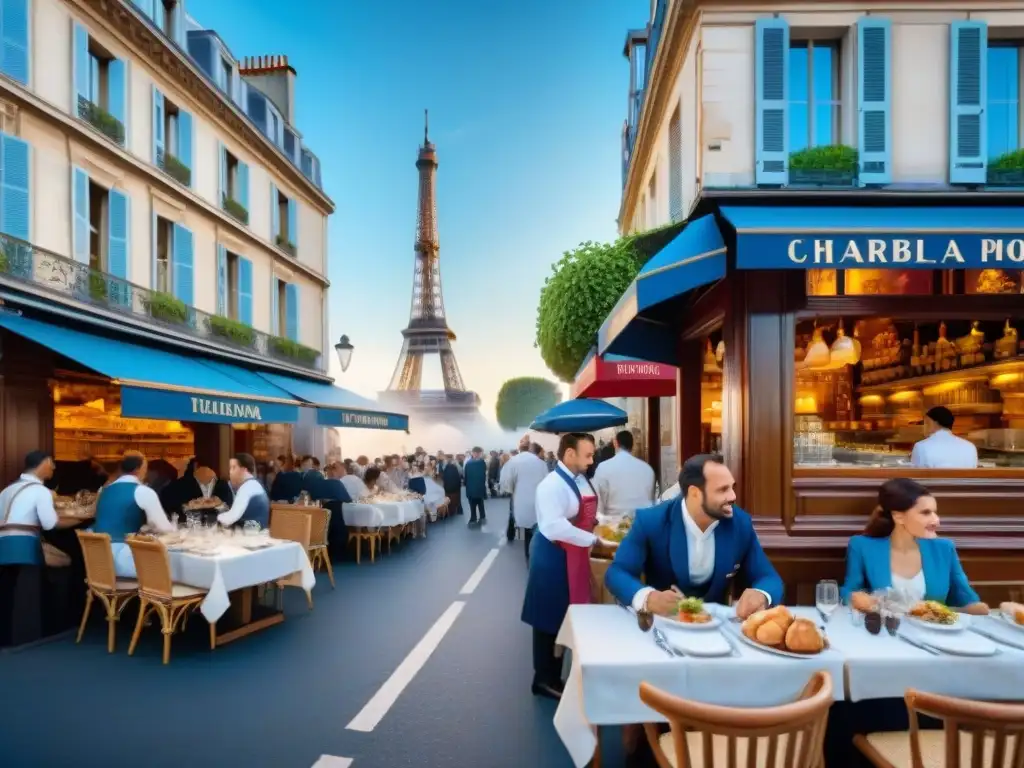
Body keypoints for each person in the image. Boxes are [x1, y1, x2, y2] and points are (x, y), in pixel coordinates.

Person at [605, 453, 783, 619]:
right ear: (694, 493)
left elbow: (769, 578)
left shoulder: (740, 523)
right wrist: (647, 598)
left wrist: (762, 594)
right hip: (662, 626)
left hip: (717, 629)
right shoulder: (651, 521)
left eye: (732, 487)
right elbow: (617, 572)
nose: (733, 496)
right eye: (722, 490)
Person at [521, 432, 599, 701]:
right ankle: (543, 679)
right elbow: (554, 525)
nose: (591, 461)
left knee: (560, 614)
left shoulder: (575, 480)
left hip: (568, 552)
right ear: (569, 454)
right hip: (552, 554)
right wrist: (593, 539)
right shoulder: (551, 485)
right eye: (587, 455)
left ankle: (553, 674)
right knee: (548, 617)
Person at [843, 478, 988, 614]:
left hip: (935, 634)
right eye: (926, 513)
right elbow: (848, 593)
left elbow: (967, 599)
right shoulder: (862, 546)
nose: (936, 520)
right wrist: (855, 598)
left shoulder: (944, 548)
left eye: (935, 512)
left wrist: (981, 609)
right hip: (884, 633)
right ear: (899, 517)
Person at [93, 452, 175, 578]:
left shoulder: (105, 489)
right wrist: (179, 531)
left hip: (99, 561)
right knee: (173, 564)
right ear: (139, 469)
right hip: (122, 560)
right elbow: (163, 528)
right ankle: (163, 596)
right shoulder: (142, 491)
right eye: (145, 468)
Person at [501, 441, 550, 562]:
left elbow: (506, 482)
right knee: (537, 527)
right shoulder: (541, 463)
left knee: (527, 529)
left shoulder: (513, 462)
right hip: (539, 500)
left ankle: (529, 557)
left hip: (522, 500)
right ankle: (536, 554)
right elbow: (548, 481)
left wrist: (512, 490)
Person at [593, 430, 656, 519]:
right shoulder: (647, 469)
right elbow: (651, 499)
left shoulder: (603, 467)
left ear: (615, 443)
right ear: (632, 445)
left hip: (613, 526)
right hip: (644, 524)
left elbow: (598, 502)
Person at [911, 405, 978, 469]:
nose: (923, 427)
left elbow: (916, 475)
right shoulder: (970, 446)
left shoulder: (921, 446)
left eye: (924, 423)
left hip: (934, 481)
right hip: (965, 481)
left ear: (931, 423)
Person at [217, 453, 271, 528]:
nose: (230, 472)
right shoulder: (253, 484)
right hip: (255, 532)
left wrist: (215, 518)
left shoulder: (248, 487)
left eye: (233, 468)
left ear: (244, 470)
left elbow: (231, 518)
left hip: (253, 536)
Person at [463, 447, 488, 526]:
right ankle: (481, 516)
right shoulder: (482, 463)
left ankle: (474, 517)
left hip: (472, 487)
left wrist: (466, 484)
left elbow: (465, 477)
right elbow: (484, 475)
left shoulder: (468, 463)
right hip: (478, 487)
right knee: (479, 502)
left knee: (474, 503)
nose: (477, 454)